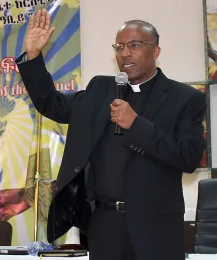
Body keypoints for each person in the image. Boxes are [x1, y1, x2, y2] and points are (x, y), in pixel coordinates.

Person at [16, 10, 206, 260]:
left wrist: (136, 124)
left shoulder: (185, 98)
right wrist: (33, 56)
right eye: (119, 46)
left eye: (134, 45)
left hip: (156, 228)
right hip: (104, 226)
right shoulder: (101, 89)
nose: (124, 53)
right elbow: (51, 103)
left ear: (156, 51)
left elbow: (188, 158)